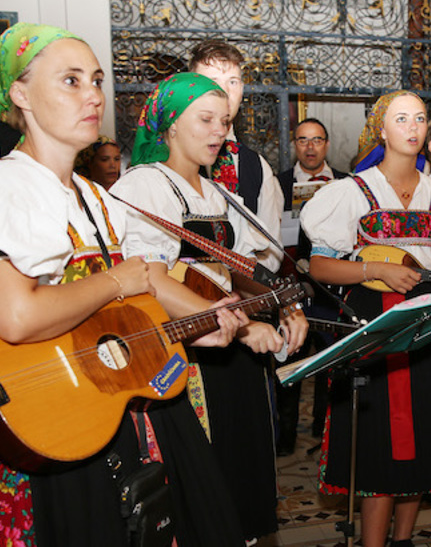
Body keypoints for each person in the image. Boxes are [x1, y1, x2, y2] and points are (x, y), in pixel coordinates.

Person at [0, 22, 248, 546]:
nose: (93, 95)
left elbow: (118, 314)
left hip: (111, 401)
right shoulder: (11, 186)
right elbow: (18, 317)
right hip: (48, 417)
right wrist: (117, 280)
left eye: (96, 80)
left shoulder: (98, 198)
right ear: (20, 94)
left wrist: (186, 326)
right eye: (71, 81)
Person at [111, 72, 307, 545]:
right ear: (170, 125)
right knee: (202, 483)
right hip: (189, 352)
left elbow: (236, 268)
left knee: (240, 475)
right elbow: (152, 278)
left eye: (225, 121)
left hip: (232, 349)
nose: (219, 131)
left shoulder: (218, 193)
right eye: (206, 119)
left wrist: (282, 304)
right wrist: (239, 326)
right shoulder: (146, 185)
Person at [300, 90, 431, 547]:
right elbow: (319, 267)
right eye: (401, 119)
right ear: (381, 130)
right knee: (382, 435)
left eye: (419, 118)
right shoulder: (352, 191)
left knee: (423, 429)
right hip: (374, 320)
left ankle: (402, 539)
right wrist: (375, 270)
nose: (413, 127)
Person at [274, 117, 347, 456]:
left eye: (317, 139)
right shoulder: (278, 184)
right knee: (290, 360)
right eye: (303, 140)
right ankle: (286, 435)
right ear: (295, 145)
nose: (310, 147)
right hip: (292, 288)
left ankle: (325, 429)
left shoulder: (346, 183)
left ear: (327, 144)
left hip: (332, 290)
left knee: (332, 362)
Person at [189, 39, 284, 273]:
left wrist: (239, 278)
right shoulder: (171, 158)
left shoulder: (258, 166)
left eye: (233, 81)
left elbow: (272, 249)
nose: (224, 91)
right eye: (212, 81)